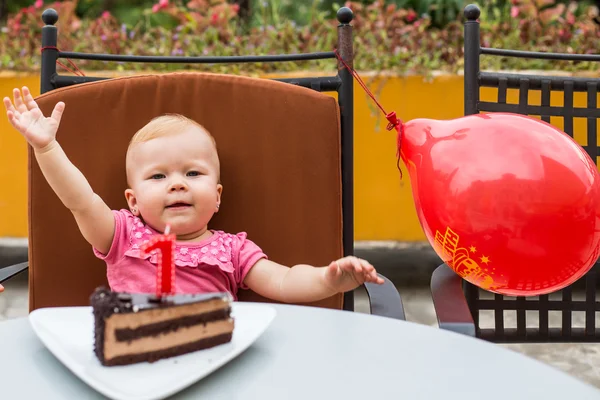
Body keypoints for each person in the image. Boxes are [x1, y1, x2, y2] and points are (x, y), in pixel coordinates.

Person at [3, 86, 384, 302]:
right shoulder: (121, 235)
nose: (177, 183)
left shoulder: (232, 250)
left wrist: (328, 280)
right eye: (157, 176)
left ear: (217, 196)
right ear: (132, 201)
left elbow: (284, 281)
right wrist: (47, 149)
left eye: (192, 173)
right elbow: (78, 198)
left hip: (213, 364)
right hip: (131, 363)